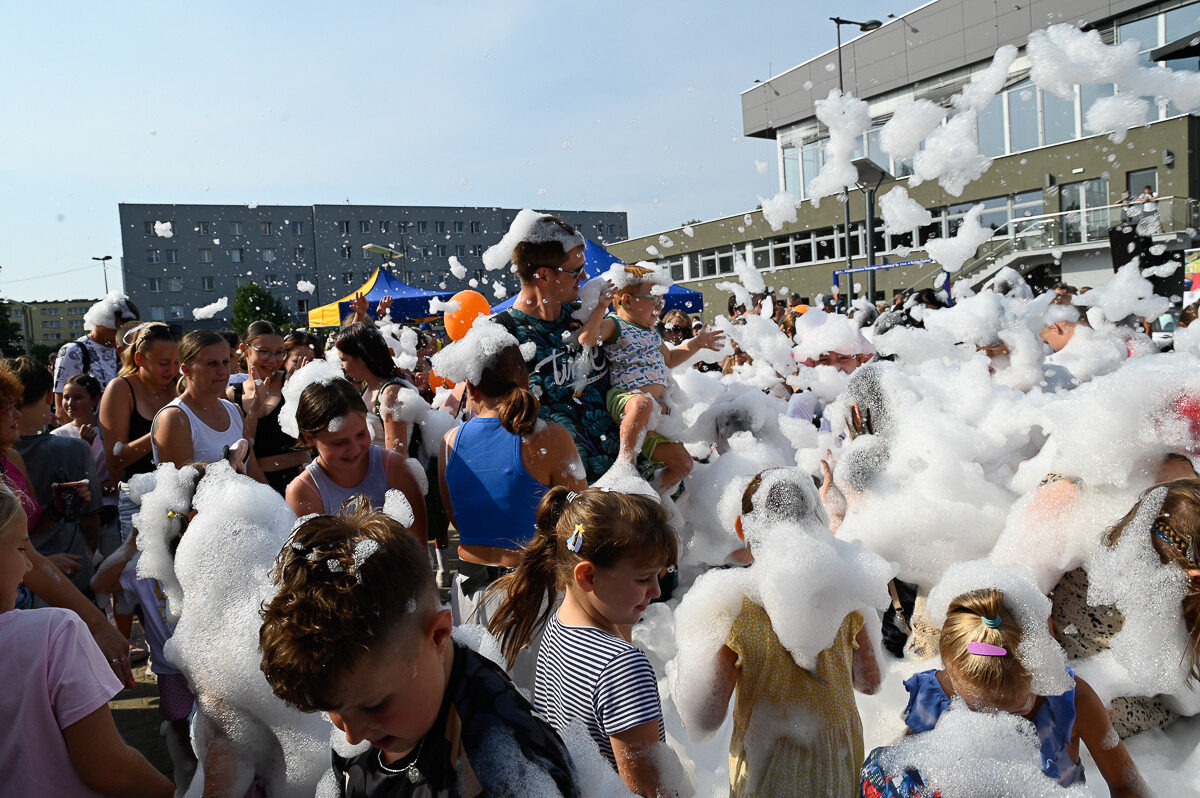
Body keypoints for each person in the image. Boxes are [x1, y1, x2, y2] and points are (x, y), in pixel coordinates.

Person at [258, 503, 580, 798]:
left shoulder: (507, 761)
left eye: (375, 705)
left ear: (439, 634)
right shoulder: (364, 695)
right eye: (334, 710)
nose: (352, 736)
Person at [687, 471, 881, 798]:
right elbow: (869, 682)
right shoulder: (847, 594)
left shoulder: (734, 609)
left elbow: (706, 719)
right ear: (817, 523)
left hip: (768, 766)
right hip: (837, 764)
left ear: (742, 529)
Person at [487, 487, 679, 797]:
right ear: (587, 576)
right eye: (644, 579)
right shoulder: (622, 666)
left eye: (658, 576)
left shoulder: (558, 624)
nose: (657, 591)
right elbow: (645, 790)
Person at [0, 487, 174, 798]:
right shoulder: (55, 631)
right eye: (22, 549)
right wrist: (171, 792)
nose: (30, 567)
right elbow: (109, 770)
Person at [895, 587, 1148, 794]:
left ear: (1042, 662)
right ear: (953, 679)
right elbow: (903, 775)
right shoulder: (932, 701)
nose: (1025, 708)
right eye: (988, 709)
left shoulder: (1072, 700)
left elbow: (1126, 785)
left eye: (1030, 693)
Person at [438, 338, 586, 628]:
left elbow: (455, 517)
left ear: (470, 387)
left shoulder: (448, 442)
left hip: (470, 591)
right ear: (526, 380)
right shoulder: (551, 437)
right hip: (535, 593)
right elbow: (581, 524)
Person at [1050, 478, 1200, 737]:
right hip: (1091, 679)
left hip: (1069, 634)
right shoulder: (1162, 614)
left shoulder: (1102, 546)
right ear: (1194, 578)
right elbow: (1186, 698)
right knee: (1122, 716)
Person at [492, 214, 620, 482]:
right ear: (542, 275)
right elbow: (496, 424)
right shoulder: (501, 334)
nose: (584, 277)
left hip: (624, 480)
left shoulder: (585, 317)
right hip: (563, 498)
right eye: (575, 271)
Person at [578, 263, 724, 492]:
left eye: (661, 301)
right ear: (627, 301)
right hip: (626, 399)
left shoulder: (652, 333)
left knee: (684, 464)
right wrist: (601, 306)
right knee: (642, 403)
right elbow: (587, 339)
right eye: (654, 300)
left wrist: (696, 344)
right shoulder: (616, 324)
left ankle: (650, 498)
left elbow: (670, 359)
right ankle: (625, 464)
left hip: (653, 414)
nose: (659, 306)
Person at [91, 527, 196, 788]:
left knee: (216, 727)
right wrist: (129, 546)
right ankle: (190, 775)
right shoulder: (144, 567)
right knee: (181, 728)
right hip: (169, 669)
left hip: (206, 665)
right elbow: (99, 584)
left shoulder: (200, 559)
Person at [285, 377, 427, 544]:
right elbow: (312, 564)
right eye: (339, 442)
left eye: (361, 434)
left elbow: (419, 551)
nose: (354, 449)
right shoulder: (303, 491)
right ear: (309, 437)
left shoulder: (394, 468)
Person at [8, 356, 103, 595]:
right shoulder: (72, 449)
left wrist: (55, 510)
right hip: (64, 573)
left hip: (20, 576)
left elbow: (36, 518)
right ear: (50, 397)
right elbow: (89, 519)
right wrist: (89, 554)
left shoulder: (11, 454)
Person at [151, 330, 264, 481]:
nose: (222, 371)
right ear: (186, 370)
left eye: (225, 362)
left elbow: (254, 473)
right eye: (212, 364)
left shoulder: (234, 410)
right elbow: (181, 493)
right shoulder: (174, 417)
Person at [228, 321, 306, 495]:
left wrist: (295, 395)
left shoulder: (293, 382)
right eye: (264, 352)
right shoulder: (233, 395)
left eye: (279, 353)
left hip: (300, 479)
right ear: (245, 349)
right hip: (256, 488)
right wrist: (254, 409)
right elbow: (245, 447)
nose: (273, 360)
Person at [52, 374, 118, 554]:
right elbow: (63, 478)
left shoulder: (110, 432)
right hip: (79, 516)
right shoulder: (58, 436)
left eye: (78, 397)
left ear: (95, 400)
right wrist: (83, 448)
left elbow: (118, 475)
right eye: (66, 397)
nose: (69, 403)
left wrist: (108, 489)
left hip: (112, 512)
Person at [52, 291, 139, 426]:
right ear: (101, 322)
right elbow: (62, 410)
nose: (121, 337)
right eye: (116, 330)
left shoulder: (124, 351)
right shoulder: (73, 351)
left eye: (126, 332)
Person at [335, 321, 417, 456]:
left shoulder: (391, 394)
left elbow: (396, 457)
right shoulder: (367, 386)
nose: (342, 366)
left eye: (344, 359)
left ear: (361, 358)